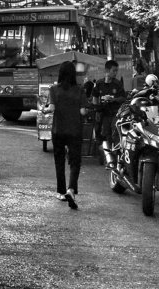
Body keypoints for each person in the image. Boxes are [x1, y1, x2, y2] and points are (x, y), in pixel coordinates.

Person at [42, 60, 87, 210]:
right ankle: (71, 189)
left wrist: (44, 109)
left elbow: (51, 108)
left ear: (60, 74)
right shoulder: (80, 90)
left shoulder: (54, 89)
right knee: (75, 162)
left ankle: (61, 192)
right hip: (75, 131)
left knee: (59, 161)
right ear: (73, 74)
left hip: (58, 130)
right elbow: (83, 112)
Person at [91, 59, 126, 148]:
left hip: (115, 114)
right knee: (106, 134)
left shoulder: (117, 84)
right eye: (114, 71)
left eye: (116, 71)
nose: (115, 73)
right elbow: (95, 97)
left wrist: (113, 100)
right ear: (107, 71)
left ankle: (117, 151)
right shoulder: (99, 84)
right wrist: (97, 110)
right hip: (104, 114)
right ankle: (108, 151)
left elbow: (123, 98)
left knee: (115, 134)